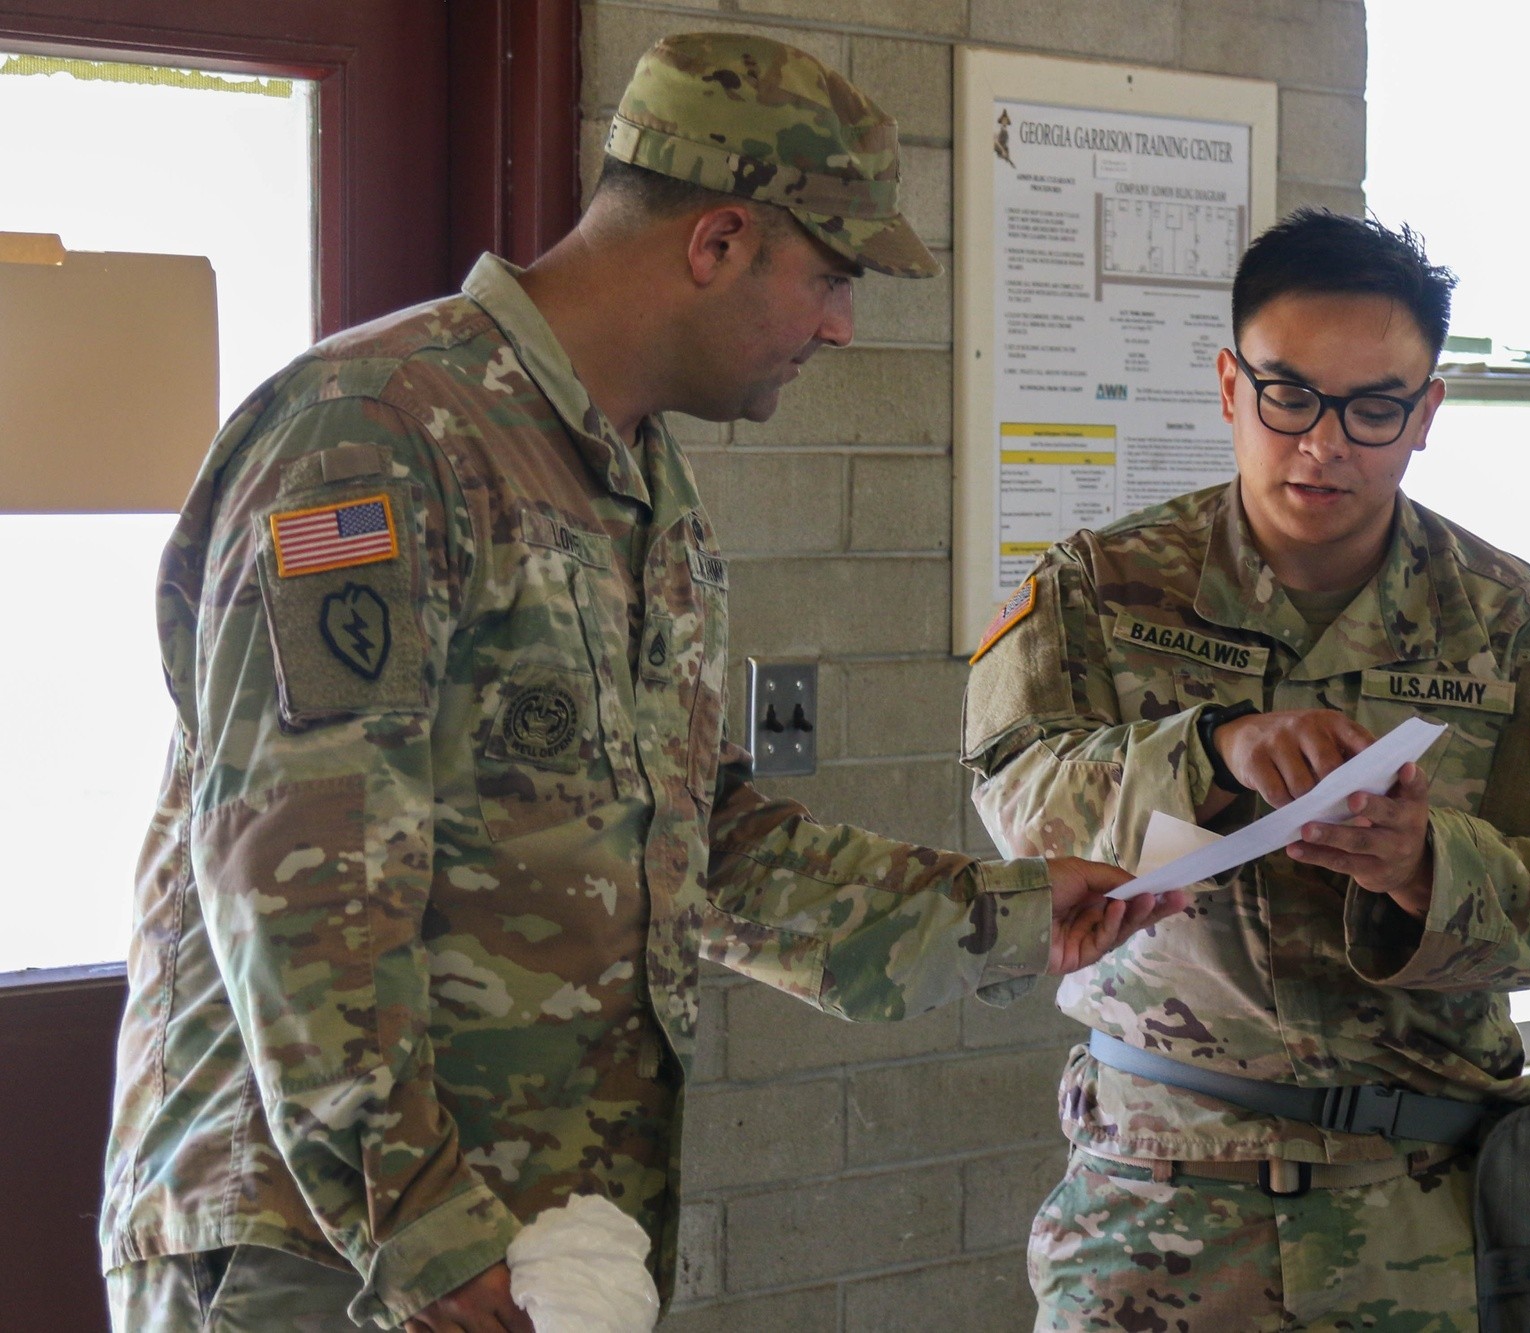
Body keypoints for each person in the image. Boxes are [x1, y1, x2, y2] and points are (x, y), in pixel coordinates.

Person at [100, 33, 1184, 1333]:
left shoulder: (632, 483)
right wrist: (427, 1236)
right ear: (719, 241)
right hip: (328, 1247)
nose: (842, 325)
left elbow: (692, 846)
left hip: (527, 1230)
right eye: (832, 278)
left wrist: (1009, 913)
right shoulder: (376, 435)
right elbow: (299, 884)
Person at [961, 210, 1530, 1331]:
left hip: (1419, 1218)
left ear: (1426, 412)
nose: (1323, 443)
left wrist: (1433, 869)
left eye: (1372, 407)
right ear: (1230, 387)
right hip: (1156, 1208)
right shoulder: (1096, 589)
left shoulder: (1520, 624)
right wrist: (1205, 754)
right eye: (1288, 395)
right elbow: (1015, 802)